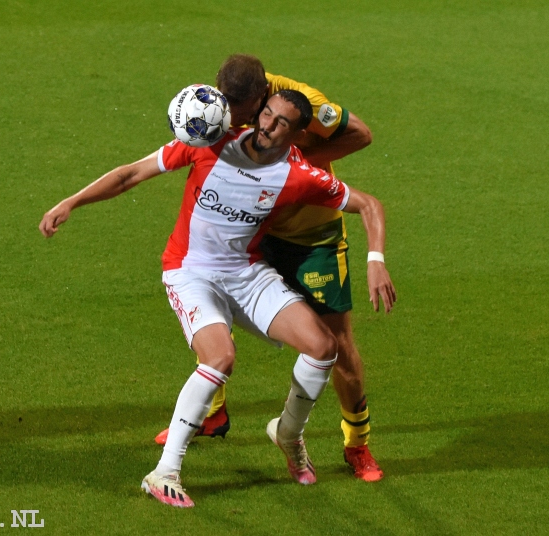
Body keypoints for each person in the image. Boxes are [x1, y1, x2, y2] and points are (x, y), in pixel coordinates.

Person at [39, 90, 396, 508]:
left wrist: (375, 260)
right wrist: (73, 201)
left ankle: (287, 434)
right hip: (189, 272)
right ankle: (165, 471)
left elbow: (369, 204)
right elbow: (130, 175)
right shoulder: (211, 142)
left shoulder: (299, 174)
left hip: (245, 274)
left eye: (281, 122)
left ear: (299, 133)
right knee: (220, 357)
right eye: (266, 114)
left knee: (323, 347)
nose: (267, 126)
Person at [153, 54, 387, 482]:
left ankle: (357, 444)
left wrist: (292, 169)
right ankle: (210, 415)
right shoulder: (226, 104)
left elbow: (361, 134)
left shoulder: (301, 104)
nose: (235, 121)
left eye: (241, 114)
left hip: (311, 237)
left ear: (263, 97)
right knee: (212, 305)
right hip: (255, 232)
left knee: (336, 345)